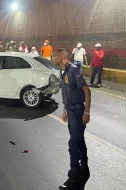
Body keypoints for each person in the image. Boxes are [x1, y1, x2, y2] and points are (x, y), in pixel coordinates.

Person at [52, 48, 91, 190]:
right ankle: (84, 166)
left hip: (78, 111)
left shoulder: (74, 70)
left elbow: (87, 90)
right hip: (70, 110)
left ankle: (73, 176)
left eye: (54, 57)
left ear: (63, 58)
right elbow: (66, 93)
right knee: (78, 140)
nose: (52, 59)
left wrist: (87, 112)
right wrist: (64, 111)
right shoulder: (61, 72)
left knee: (72, 144)